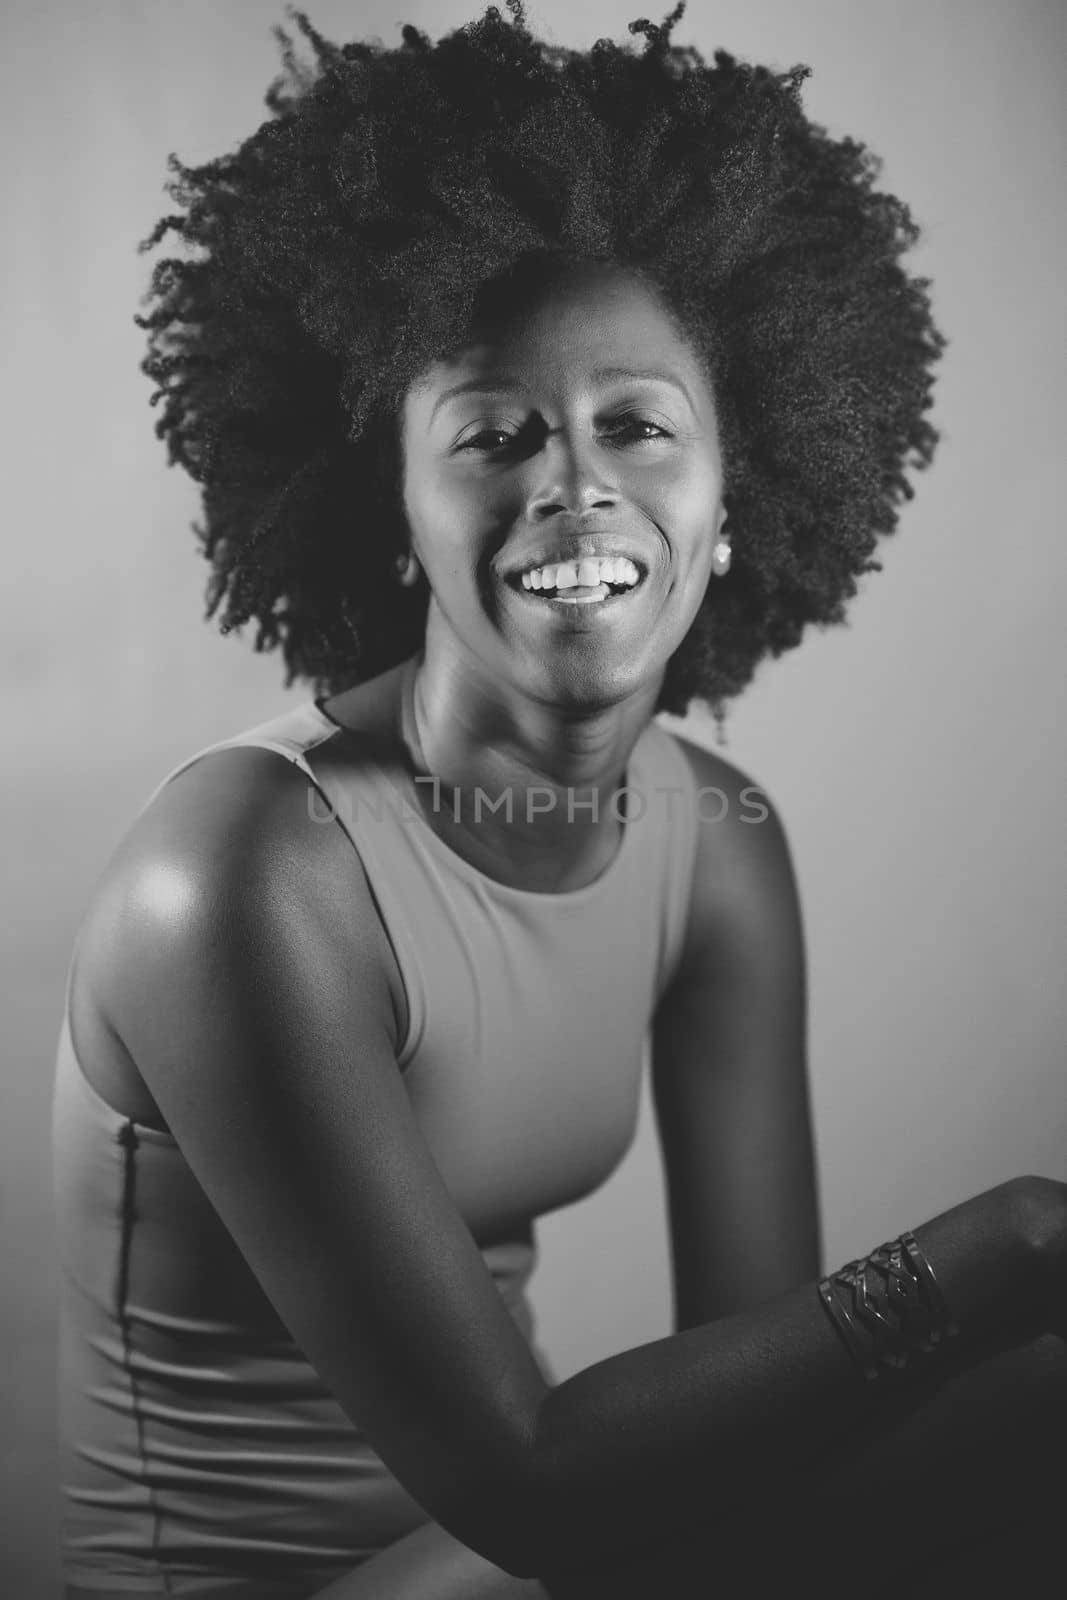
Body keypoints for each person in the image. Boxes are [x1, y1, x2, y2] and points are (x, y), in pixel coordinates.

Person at [53, 3, 1066, 1597]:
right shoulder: (249, 873)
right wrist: (1011, 1247)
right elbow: (531, 1483)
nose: (573, 486)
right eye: (492, 434)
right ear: (389, 507)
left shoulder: (713, 850)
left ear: (740, 489)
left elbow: (782, 1431)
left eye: (639, 427)